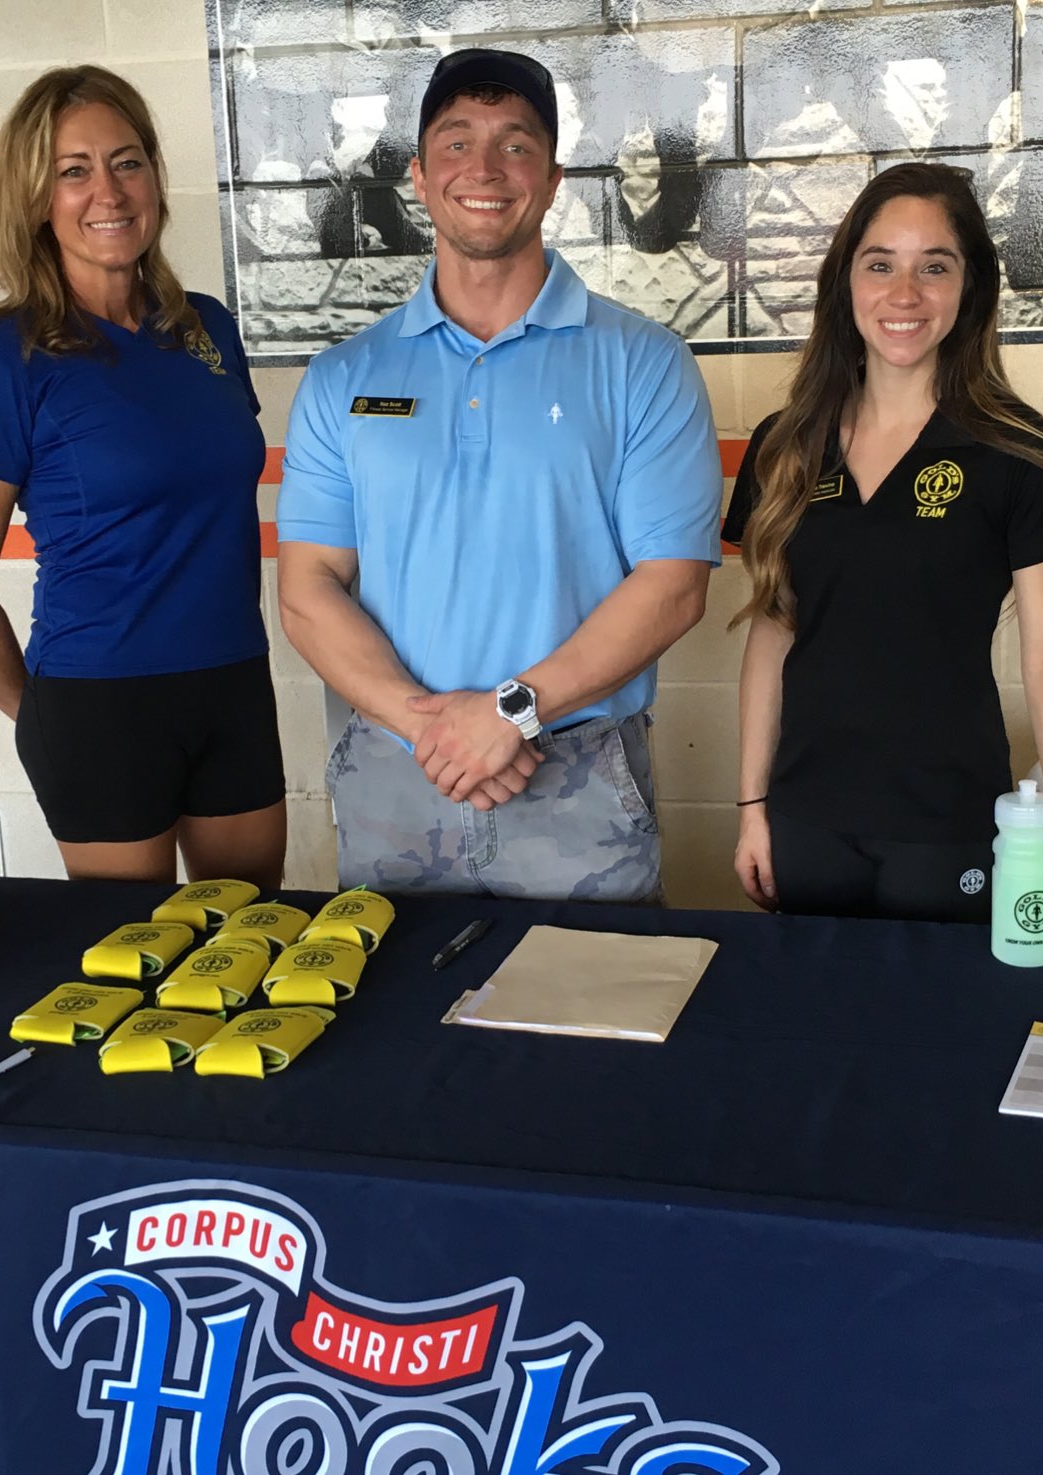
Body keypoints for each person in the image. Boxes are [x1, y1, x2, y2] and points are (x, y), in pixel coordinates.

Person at [277, 48, 722, 902]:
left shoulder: (643, 364)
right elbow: (309, 588)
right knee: (395, 1029)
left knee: (591, 1025)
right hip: (395, 776)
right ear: (417, 173)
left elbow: (672, 586)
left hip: (579, 781)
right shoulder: (344, 377)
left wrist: (508, 713)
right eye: (456, 142)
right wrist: (435, 728)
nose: (483, 169)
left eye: (515, 145)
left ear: (553, 179)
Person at [0, 66, 284, 889]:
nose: (108, 192)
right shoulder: (4, 363)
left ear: (154, 175)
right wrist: (46, 721)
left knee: (259, 955)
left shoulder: (206, 330)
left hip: (232, 682)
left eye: (126, 162)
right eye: (72, 170)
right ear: (34, 198)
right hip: (101, 702)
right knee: (140, 984)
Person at [722, 163, 1043, 922]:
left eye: (935, 267)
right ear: (846, 282)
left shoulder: (1019, 450)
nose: (905, 294)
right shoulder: (785, 445)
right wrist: (752, 805)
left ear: (970, 288)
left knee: (938, 1028)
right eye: (880, 264)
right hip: (807, 818)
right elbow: (771, 631)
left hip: (948, 822)